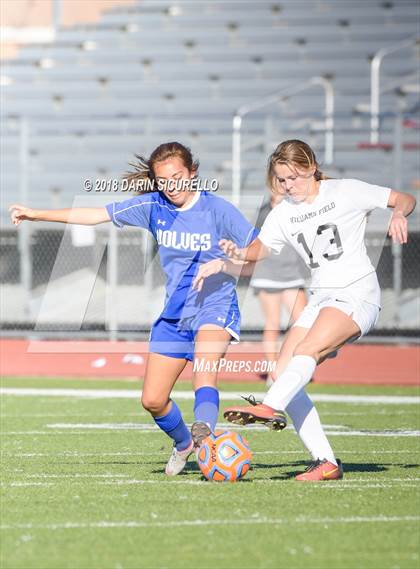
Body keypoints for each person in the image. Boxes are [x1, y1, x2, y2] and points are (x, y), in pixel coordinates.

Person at [10, 141, 259, 477]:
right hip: (175, 316)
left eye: (178, 176)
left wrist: (230, 260)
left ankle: (206, 440)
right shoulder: (153, 207)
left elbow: (260, 247)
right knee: (153, 400)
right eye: (164, 180)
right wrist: (36, 213)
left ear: (193, 173)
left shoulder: (218, 210)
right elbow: (96, 215)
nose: (172, 185)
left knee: (204, 370)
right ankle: (185, 443)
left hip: (214, 306)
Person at [196, 139, 416, 481]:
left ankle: (270, 406)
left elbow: (404, 198)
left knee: (308, 349)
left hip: (357, 293)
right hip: (320, 298)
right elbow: (259, 251)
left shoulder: (345, 191)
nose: (287, 186)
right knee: (280, 375)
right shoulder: (283, 212)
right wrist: (234, 254)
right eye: (281, 180)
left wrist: (399, 214)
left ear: (311, 167)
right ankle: (325, 462)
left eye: (294, 178)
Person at [250, 191, 308, 383]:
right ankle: (273, 372)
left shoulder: (298, 210)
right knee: (273, 322)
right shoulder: (264, 213)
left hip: (292, 272)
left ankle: (293, 366)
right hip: (267, 274)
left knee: (303, 321)